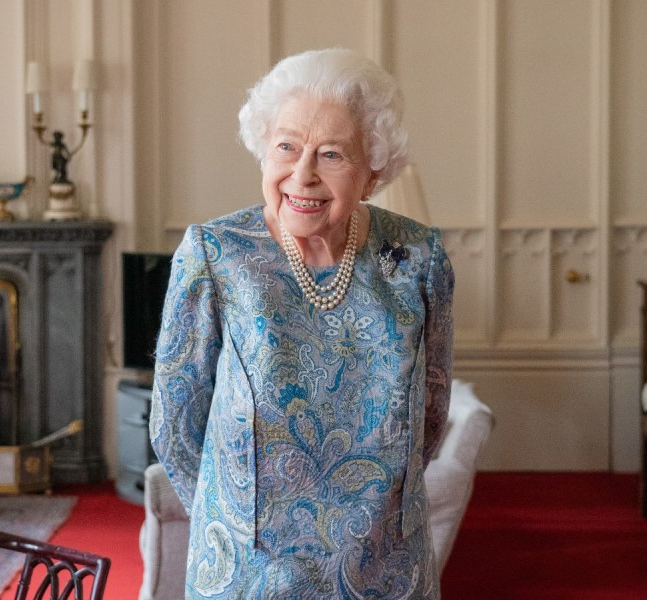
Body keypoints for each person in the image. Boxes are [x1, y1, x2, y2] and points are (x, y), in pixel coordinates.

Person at [150, 47, 454, 599]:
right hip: (249, 572)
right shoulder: (216, 256)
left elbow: (430, 416)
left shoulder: (418, 257)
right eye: (286, 146)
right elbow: (175, 424)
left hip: (385, 567)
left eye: (332, 154)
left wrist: (379, 518)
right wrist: (236, 521)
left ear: (372, 172)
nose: (303, 173)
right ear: (264, 151)